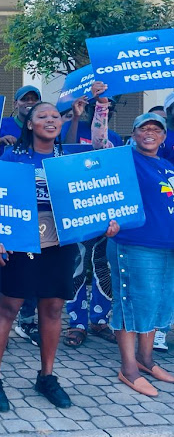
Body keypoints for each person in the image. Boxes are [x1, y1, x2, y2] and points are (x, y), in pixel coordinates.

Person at [0, 101, 119, 412]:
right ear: (29, 124)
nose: (50, 120)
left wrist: (106, 222)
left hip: (60, 245)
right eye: (41, 116)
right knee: (9, 306)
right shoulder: (12, 157)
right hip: (22, 245)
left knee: (54, 309)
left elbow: (93, 197)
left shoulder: (68, 159)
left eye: (55, 116)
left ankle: (46, 376)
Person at [107, 112, 174, 397]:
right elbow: (100, 142)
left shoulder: (167, 165)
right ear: (133, 134)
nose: (149, 133)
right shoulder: (125, 159)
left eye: (156, 129)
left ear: (164, 136)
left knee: (155, 303)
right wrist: (100, 107)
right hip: (134, 243)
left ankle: (146, 361)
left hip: (166, 246)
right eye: (143, 128)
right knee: (131, 302)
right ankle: (129, 367)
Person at [63, 83, 116, 348]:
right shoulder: (73, 130)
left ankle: (99, 320)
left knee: (101, 268)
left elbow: (102, 145)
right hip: (76, 212)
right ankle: (76, 323)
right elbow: (68, 149)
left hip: (103, 213)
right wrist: (85, 112)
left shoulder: (115, 140)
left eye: (107, 107)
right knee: (76, 268)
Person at [0, 85, 41, 346]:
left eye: (34, 100)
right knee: (2, 263)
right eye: (25, 99)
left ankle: (27, 320)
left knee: (31, 268)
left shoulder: (44, 135)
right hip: (6, 205)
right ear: (16, 102)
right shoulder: (1, 125)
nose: (29, 103)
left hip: (35, 215)